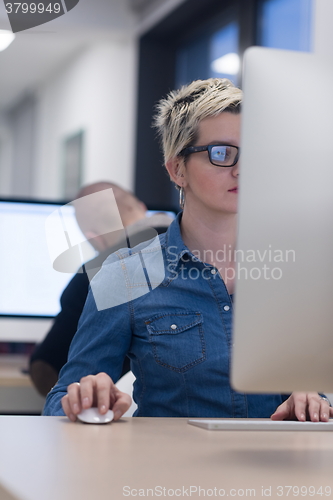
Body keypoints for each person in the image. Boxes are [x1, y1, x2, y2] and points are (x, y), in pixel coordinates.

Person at [44, 79, 333, 422]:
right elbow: (61, 399)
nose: (242, 169)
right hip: (171, 471)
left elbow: (313, 387)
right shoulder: (125, 273)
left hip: (273, 471)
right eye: (221, 153)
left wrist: (312, 400)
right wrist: (87, 398)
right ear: (177, 169)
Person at [30, 181, 172, 396]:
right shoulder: (211, 251)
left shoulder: (93, 273)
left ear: (92, 237)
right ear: (142, 208)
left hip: (123, 415)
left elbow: (46, 367)